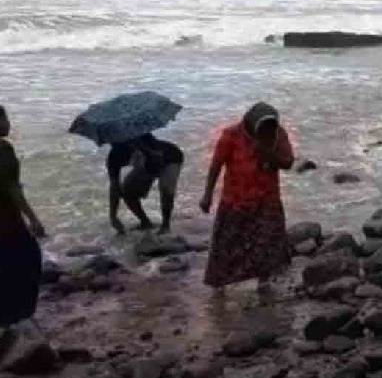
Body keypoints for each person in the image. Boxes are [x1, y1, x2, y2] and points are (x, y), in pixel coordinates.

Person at [200, 103, 294, 293]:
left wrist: (269, 155)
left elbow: (288, 162)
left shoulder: (278, 134)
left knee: (266, 244)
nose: (266, 132)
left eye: (269, 127)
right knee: (227, 246)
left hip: (267, 200)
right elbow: (216, 166)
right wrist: (207, 195)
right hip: (235, 201)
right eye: (262, 127)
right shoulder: (231, 135)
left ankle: (264, 281)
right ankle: (220, 285)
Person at [0, 105, 46, 328]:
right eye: (4, 119)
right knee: (28, 261)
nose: (8, 123)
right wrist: (33, 219)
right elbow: (12, 189)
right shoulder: (1, 149)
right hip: (5, 221)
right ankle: (19, 318)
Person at [107, 134, 183, 233]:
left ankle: (165, 226)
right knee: (127, 191)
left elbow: (157, 157)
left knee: (166, 189)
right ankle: (145, 222)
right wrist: (113, 216)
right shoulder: (113, 157)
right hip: (147, 165)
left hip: (170, 158)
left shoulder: (141, 136)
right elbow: (114, 186)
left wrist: (145, 151)